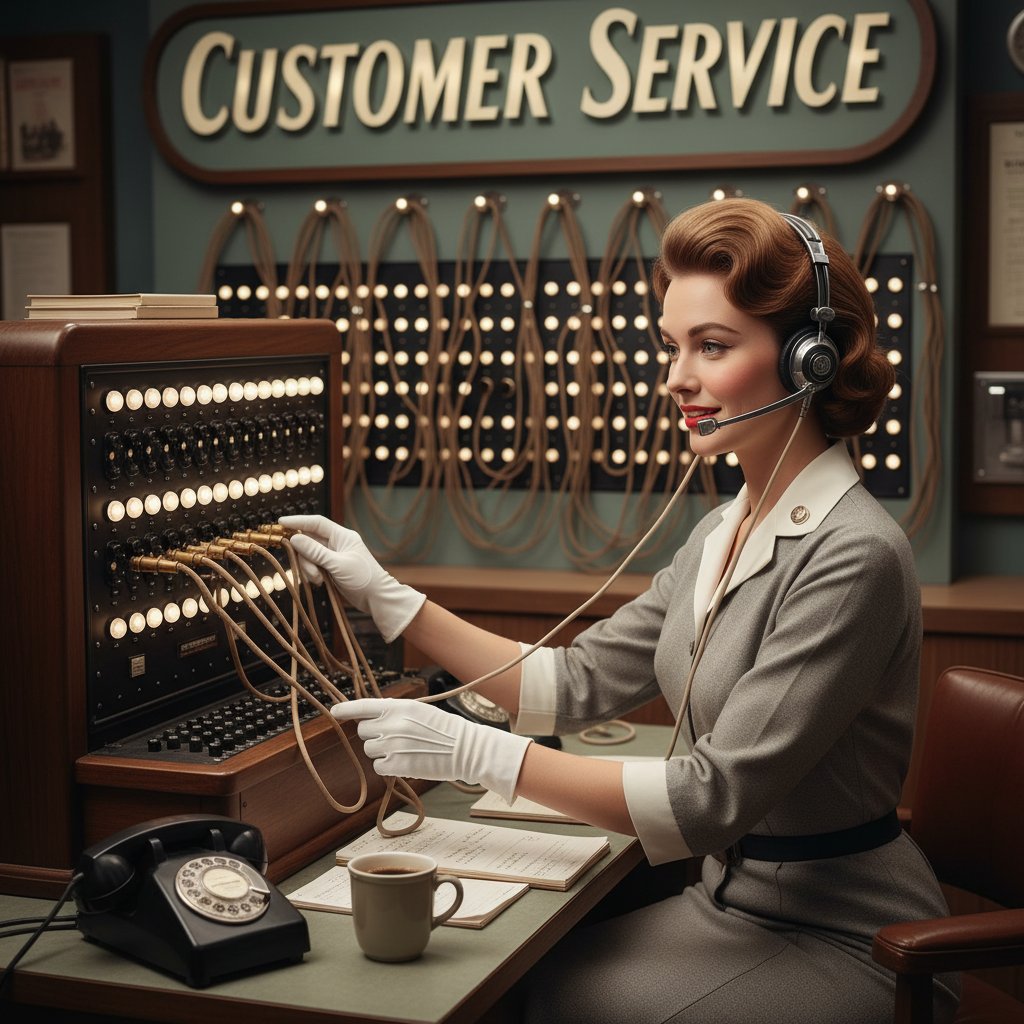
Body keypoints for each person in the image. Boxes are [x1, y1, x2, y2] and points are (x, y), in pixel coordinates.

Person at [282, 197, 959, 1024]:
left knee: (535, 996)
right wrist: (388, 597)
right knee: (499, 978)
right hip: (730, 903)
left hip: (849, 935)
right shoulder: (723, 528)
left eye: (711, 346)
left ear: (809, 361)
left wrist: (480, 755)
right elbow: (570, 684)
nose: (676, 376)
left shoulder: (855, 554)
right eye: (672, 345)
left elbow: (708, 800)